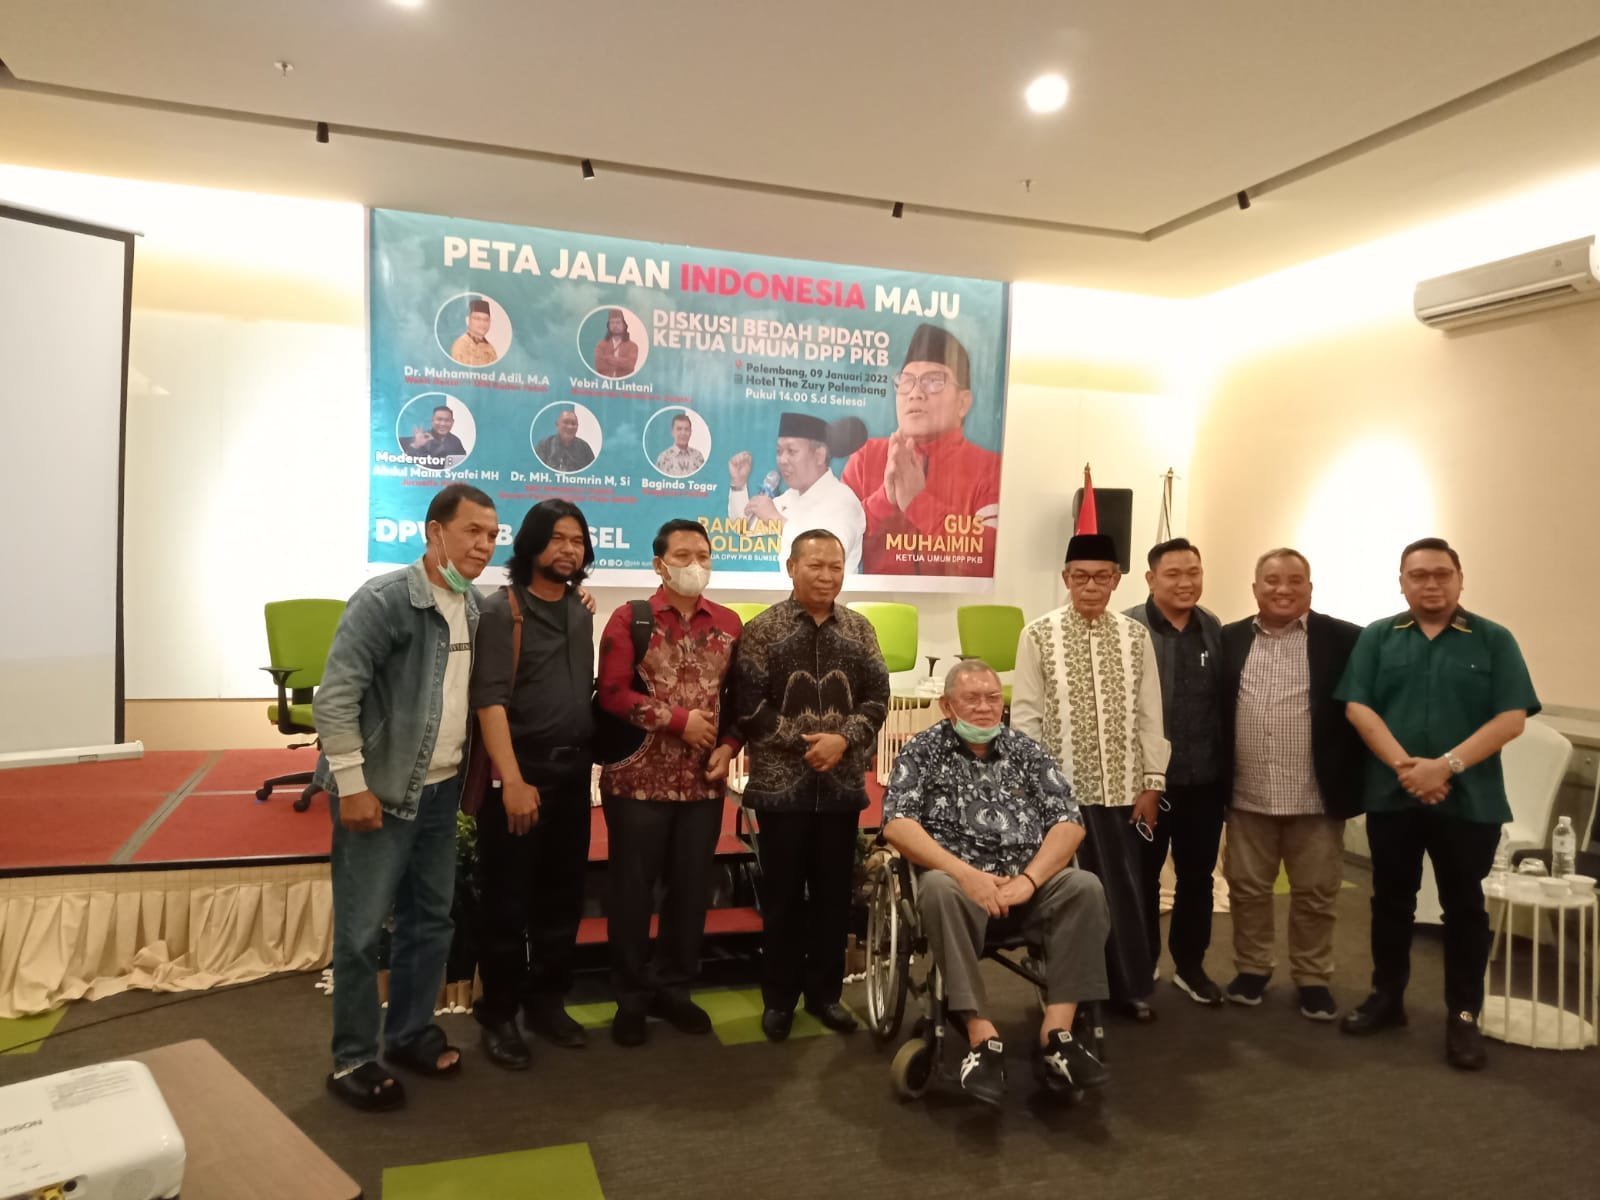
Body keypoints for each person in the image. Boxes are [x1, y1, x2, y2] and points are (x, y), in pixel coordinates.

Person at [313, 482, 498, 1111]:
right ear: (434, 531)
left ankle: (410, 1034)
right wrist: (352, 785)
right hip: (380, 792)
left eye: (492, 535)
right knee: (362, 933)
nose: (484, 544)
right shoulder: (386, 600)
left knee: (430, 920)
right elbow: (335, 698)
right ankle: (352, 1059)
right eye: (472, 531)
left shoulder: (474, 606)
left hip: (442, 791)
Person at [1335, 537, 1539, 1070]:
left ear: (1460, 578)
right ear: (1401, 582)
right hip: (1394, 796)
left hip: (1468, 801)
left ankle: (1463, 1015)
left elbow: (1511, 718)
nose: (1431, 584)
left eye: (1442, 574)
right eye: (1419, 575)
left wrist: (1443, 767)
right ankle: (1386, 998)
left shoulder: (1494, 640)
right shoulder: (1379, 637)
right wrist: (1408, 769)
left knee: (1464, 909)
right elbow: (1358, 708)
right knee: (1390, 902)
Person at [883, 660, 1112, 1105]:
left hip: (1029, 885)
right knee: (939, 888)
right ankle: (980, 1034)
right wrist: (966, 875)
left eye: (992, 698)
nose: (986, 707)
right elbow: (898, 824)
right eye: (972, 699)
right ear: (947, 705)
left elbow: (1069, 823)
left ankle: (1058, 1033)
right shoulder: (921, 752)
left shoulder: (1027, 751)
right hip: (960, 888)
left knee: (1084, 887)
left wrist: (1030, 880)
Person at [729, 529, 889, 1040]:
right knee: (781, 899)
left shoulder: (860, 630)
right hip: (782, 790)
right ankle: (778, 999)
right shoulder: (763, 630)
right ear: (791, 567)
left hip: (840, 788)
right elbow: (748, 707)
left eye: (835, 567)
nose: (826, 576)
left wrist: (842, 740)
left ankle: (826, 996)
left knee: (833, 899)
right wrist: (806, 744)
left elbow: (877, 699)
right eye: (815, 566)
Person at [1013, 532, 1169, 1023]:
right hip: (1062, 796)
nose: (1091, 586)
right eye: (1080, 576)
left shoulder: (1135, 637)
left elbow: (1150, 714)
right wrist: (1034, 791)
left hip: (1123, 791)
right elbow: (1026, 717)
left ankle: (1128, 989)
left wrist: (1152, 783)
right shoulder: (1038, 635)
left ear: (1117, 581)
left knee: (1125, 895)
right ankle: (1070, 997)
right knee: (1070, 899)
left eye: (1102, 576)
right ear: (1066, 578)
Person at [597, 519, 742, 1047]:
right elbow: (612, 693)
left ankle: (675, 988)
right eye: (682, 556)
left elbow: (740, 700)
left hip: (702, 784)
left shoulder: (729, 623)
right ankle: (631, 997)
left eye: (703, 555)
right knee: (632, 894)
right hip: (637, 780)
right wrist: (678, 721)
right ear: (659, 564)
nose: (694, 565)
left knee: (690, 891)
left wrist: (729, 747)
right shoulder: (630, 618)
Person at [469, 499, 598, 1069]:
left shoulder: (579, 610)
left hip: (572, 777)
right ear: (530, 544)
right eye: (557, 538)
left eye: (577, 540)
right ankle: (498, 1014)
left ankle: (547, 1002)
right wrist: (513, 781)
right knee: (507, 902)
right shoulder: (503, 611)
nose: (569, 549)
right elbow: (489, 701)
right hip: (521, 777)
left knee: (561, 898)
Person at [1219, 548, 1363, 1020]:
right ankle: (1252, 969)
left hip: (1314, 796)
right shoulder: (1229, 638)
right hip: (1247, 794)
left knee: (1317, 893)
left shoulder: (1345, 639)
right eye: (1272, 580)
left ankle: (1313, 977)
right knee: (1247, 890)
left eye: (1295, 580)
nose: (1283, 589)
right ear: (1255, 588)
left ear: (1310, 588)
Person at [1124, 538, 1228, 1006]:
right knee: (1141, 877)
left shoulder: (1213, 628)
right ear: (1151, 579)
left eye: (1194, 572)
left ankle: (1190, 966)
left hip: (1203, 780)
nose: (1186, 582)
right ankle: (1141, 962)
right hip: (1146, 783)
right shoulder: (1128, 628)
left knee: (1198, 877)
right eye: (1173, 574)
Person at [841, 323, 1001, 577]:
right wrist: (884, 499)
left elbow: (991, 562)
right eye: (906, 382)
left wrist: (918, 502)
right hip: (876, 601)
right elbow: (835, 545)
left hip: (955, 601)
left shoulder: (990, 468)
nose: (915, 393)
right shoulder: (866, 457)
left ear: (963, 403)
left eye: (934, 381)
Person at [727, 412, 866, 571]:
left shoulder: (844, 501)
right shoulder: (790, 497)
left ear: (819, 456)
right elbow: (744, 528)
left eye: (791, 451)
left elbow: (826, 556)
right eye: (779, 451)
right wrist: (738, 485)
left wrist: (777, 520)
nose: (782, 460)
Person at [403, 404, 469, 470]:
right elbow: (407, 465)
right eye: (439, 419)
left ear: (452, 422)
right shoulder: (421, 439)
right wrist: (415, 445)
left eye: (447, 420)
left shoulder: (455, 441)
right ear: (432, 421)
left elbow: (463, 464)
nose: (443, 424)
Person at [534, 408, 596, 474]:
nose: (570, 427)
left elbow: (594, 472)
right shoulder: (544, 445)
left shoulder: (584, 447)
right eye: (566, 423)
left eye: (573, 424)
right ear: (557, 425)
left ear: (577, 427)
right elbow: (534, 471)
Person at [450, 297, 500, 367]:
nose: (482, 323)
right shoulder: (461, 345)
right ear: (468, 320)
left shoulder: (491, 349)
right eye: (477, 318)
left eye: (486, 319)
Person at [654, 412, 705, 476]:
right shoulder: (663, 458)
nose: (683, 433)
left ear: (690, 432)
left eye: (686, 429)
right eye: (679, 429)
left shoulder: (698, 457)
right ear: (672, 432)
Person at [594, 308, 639, 378]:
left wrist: (609, 359)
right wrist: (622, 362)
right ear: (608, 326)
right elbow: (599, 366)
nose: (615, 325)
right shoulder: (601, 345)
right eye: (612, 323)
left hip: (625, 383)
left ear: (624, 325)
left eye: (618, 322)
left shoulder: (632, 346)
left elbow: (630, 365)